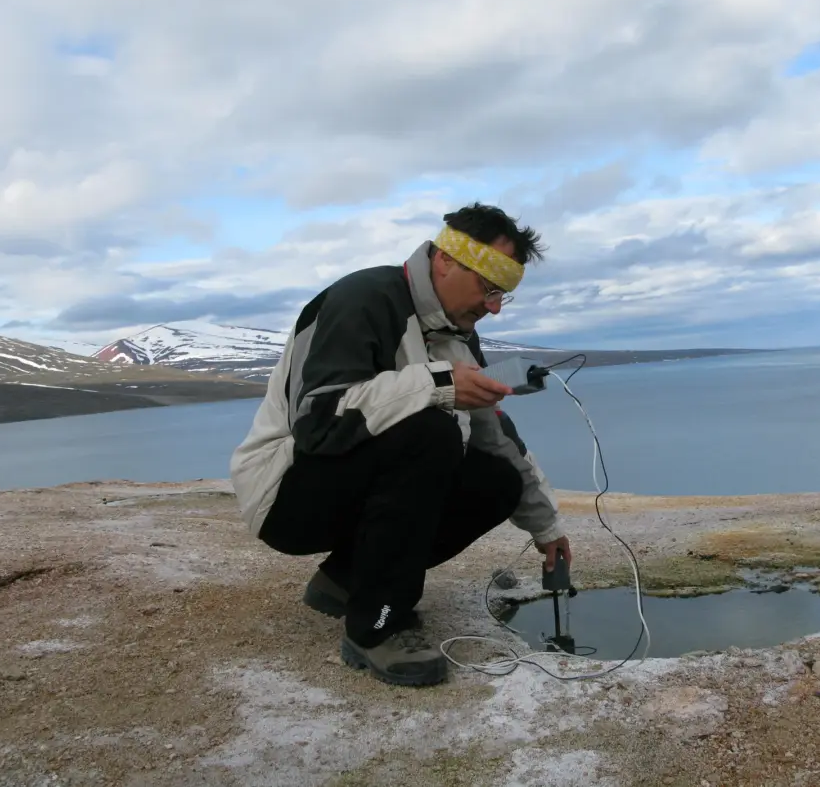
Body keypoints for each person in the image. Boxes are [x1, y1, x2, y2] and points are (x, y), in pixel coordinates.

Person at [230, 203, 572, 687]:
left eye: (504, 295)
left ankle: (344, 580)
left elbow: (497, 437)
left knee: (496, 480)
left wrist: (547, 526)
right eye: (488, 287)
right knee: (429, 430)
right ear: (446, 260)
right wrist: (438, 385)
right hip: (284, 493)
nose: (493, 306)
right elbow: (319, 422)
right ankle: (377, 626)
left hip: (345, 488)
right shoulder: (363, 300)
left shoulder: (460, 335)